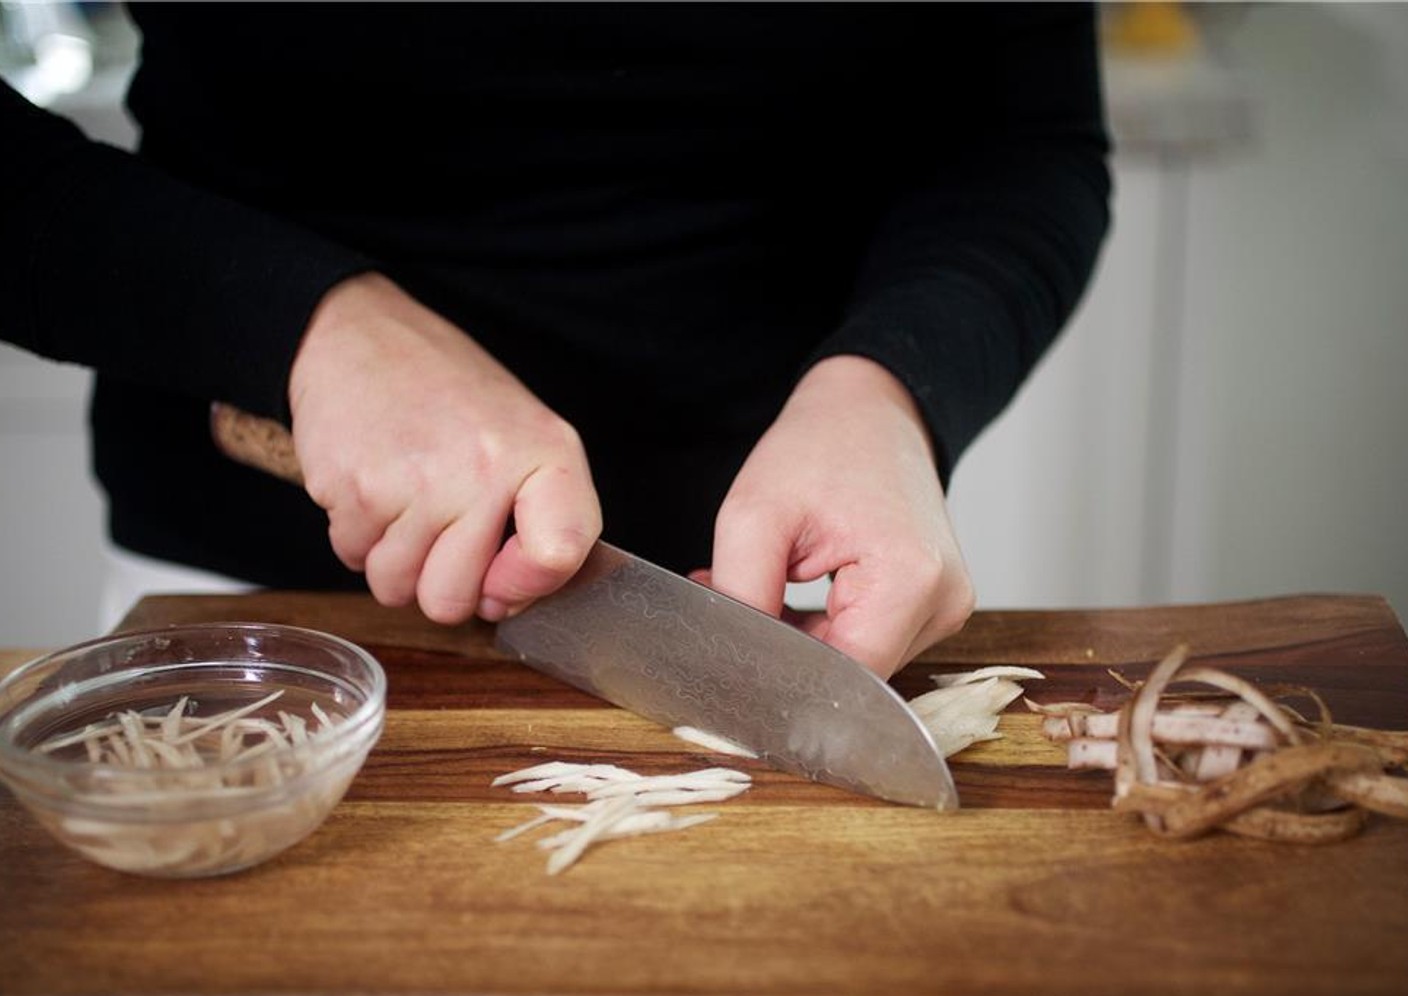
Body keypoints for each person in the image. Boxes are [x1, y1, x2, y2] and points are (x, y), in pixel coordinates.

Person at [0, 3, 1110, 679]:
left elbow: (1023, 136)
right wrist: (304, 324)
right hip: (242, 591)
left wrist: (892, 390)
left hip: (755, 602)